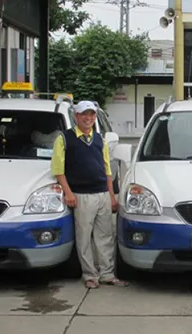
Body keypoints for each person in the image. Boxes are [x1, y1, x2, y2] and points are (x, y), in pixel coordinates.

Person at [51, 101, 128, 289]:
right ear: (76, 117)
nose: (89, 118)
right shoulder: (65, 139)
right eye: (84, 114)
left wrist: (111, 196)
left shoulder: (99, 139)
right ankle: (89, 275)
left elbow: (107, 170)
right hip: (81, 195)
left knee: (105, 237)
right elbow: (58, 170)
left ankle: (107, 274)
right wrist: (69, 193)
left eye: (92, 115)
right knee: (84, 237)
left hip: (102, 193)